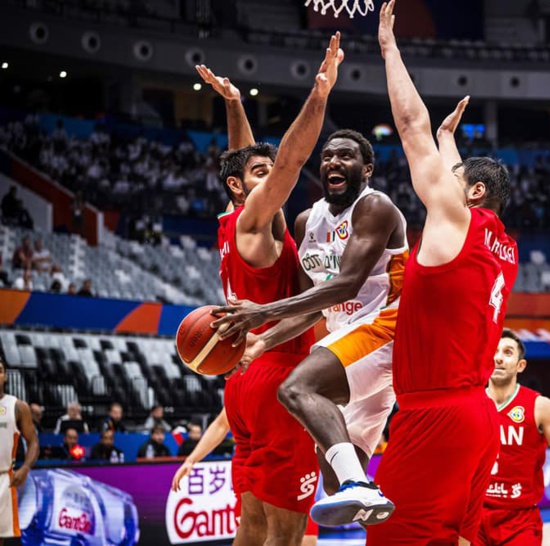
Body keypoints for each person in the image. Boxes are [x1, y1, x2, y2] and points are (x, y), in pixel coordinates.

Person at [211, 63, 411, 530]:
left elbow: (345, 285)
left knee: (297, 388)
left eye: (346, 157)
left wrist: (262, 313)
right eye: (328, 156)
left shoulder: (375, 206)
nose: (334, 163)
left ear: (367, 169)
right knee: (334, 476)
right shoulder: (306, 221)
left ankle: (362, 485)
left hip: (384, 332)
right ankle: (365, 489)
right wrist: (264, 340)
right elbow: (315, 305)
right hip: (346, 342)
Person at [364, 2, 519, 543]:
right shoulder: (506, 248)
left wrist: (389, 48)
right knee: (454, 537)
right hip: (478, 415)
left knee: (393, 537)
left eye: (457, 181)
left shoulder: (457, 216)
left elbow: (412, 127)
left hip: (436, 414)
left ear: (472, 193)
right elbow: (455, 183)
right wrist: (451, 141)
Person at [198, 33, 344, 545]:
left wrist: (235, 104)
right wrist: (320, 94)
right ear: (241, 188)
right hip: (279, 373)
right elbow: (286, 163)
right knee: (287, 531)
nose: (270, 179)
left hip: (242, 382)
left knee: (252, 523)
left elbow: (246, 161)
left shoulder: (234, 217)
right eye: (258, 175)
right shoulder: (254, 219)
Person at [475, 330, 550, 546]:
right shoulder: (470, 403)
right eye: (494, 352)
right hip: (474, 517)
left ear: (520, 366)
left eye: (507, 352)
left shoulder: (540, 406)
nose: (498, 358)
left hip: (519, 521)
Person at [171, 409, 320, 546]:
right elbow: (221, 424)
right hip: (257, 479)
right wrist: (191, 459)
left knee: (307, 540)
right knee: (258, 535)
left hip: (296, 475)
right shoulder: (242, 391)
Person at [0, 358, 40, 546]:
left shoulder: (17, 406)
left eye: (0, 370)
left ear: (5, 377)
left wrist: (25, 468)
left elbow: (33, 442)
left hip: (2, 477)